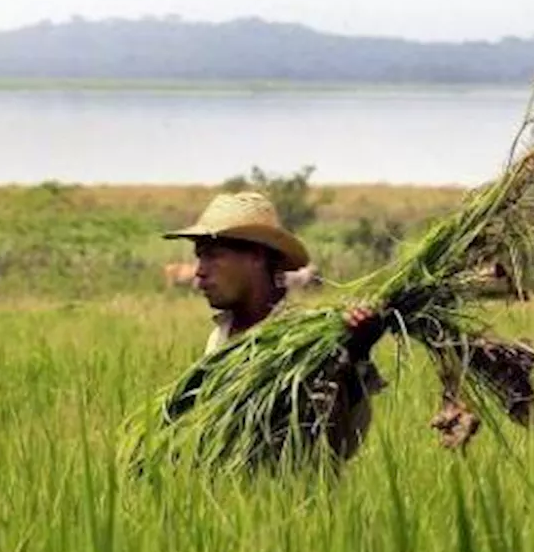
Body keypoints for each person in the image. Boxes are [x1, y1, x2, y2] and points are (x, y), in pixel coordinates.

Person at [163, 191, 387, 464]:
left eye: (213, 256)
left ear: (256, 256)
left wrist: (355, 355)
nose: (199, 271)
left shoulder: (305, 341)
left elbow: (337, 448)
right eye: (200, 257)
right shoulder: (220, 337)